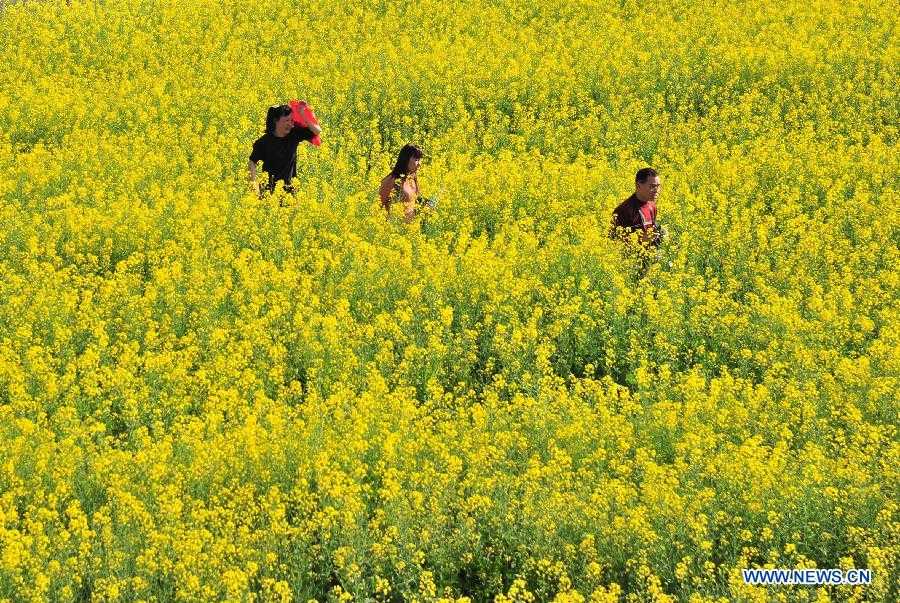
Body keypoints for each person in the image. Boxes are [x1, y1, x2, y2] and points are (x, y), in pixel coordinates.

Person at [248, 102, 322, 197]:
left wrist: (302, 113)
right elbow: (252, 162)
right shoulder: (263, 142)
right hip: (269, 193)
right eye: (287, 120)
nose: (291, 124)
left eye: (292, 120)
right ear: (275, 121)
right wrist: (254, 185)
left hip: (290, 193)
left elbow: (317, 131)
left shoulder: (294, 135)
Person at [610, 167, 663, 247]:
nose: (656, 190)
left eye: (658, 186)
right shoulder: (623, 210)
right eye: (652, 186)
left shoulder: (652, 207)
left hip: (649, 256)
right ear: (638, 186)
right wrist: (640, 240)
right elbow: (613, 241)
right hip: (630, 258)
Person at [379, 144, 426, 222]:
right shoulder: (392, 180)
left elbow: (413, 203)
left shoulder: (413, 179)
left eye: (420, 159)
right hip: (394, 230)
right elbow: (378, 206)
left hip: (412, 231)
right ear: (406, 159)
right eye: (416, 159)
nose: (419, 164)